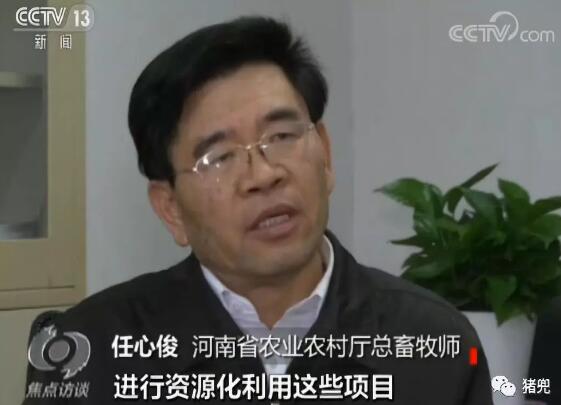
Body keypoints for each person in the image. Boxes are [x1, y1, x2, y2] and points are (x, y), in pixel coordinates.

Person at [22, 16, 493, 404]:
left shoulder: (435, 344)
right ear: (171, 209)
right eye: (219, 157)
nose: (264, 175)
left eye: (282, 136)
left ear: (325, 155)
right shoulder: (89, 352)